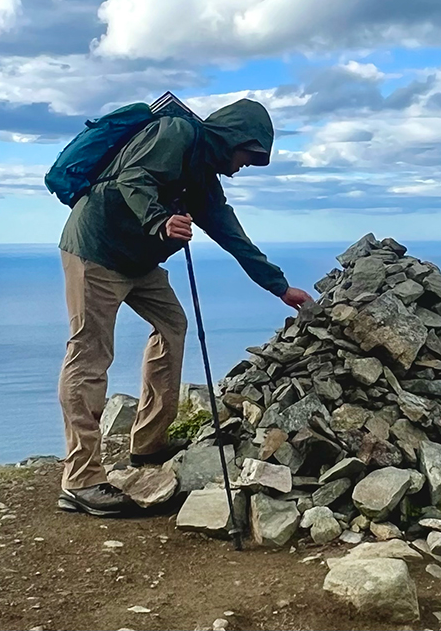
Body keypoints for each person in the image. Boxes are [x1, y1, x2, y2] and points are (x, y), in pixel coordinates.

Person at [55, 98, 314, 516]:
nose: (245, 166)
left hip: (139, 260)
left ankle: (148, 443)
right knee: (90, 353)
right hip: (96, 251)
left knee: (172, 326)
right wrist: (160, 221)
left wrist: (280, 287)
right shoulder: (175, 133)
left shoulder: (204, 178)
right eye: (248, 156)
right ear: (234, 138)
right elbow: (133, 178)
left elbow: (230, 233)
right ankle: (81, 480)